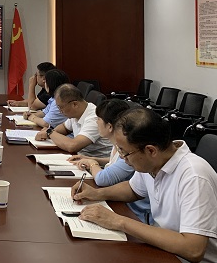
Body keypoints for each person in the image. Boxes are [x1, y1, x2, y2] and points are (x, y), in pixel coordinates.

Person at [72, 108, 217, 263]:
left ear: (150, 150)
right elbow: (133, 189)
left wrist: (118, 221)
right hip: (161, 248)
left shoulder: (194, 176)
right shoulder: (153, 162)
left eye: (124, 152)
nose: (123, 158)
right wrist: (96, 194)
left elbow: (193, 249)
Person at [67, 99, 152, 223]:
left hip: (136, 214)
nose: (96, 122)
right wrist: (93, 160)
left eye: (98, 119)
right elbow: (130, 185)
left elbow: (103, 179)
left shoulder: (131, 148)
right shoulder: (123, 147)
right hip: (123, 204)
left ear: (110, 126)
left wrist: (92, 163)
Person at [35, 84, 112, 157]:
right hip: (82, 158)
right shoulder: (77, 112)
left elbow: (72, 146)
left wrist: (50, 132)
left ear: (74, 104)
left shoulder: (94, 118)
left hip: (96, 163)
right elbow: (64, 128)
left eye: (61, 107)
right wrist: (48, 133)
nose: (60, 111)